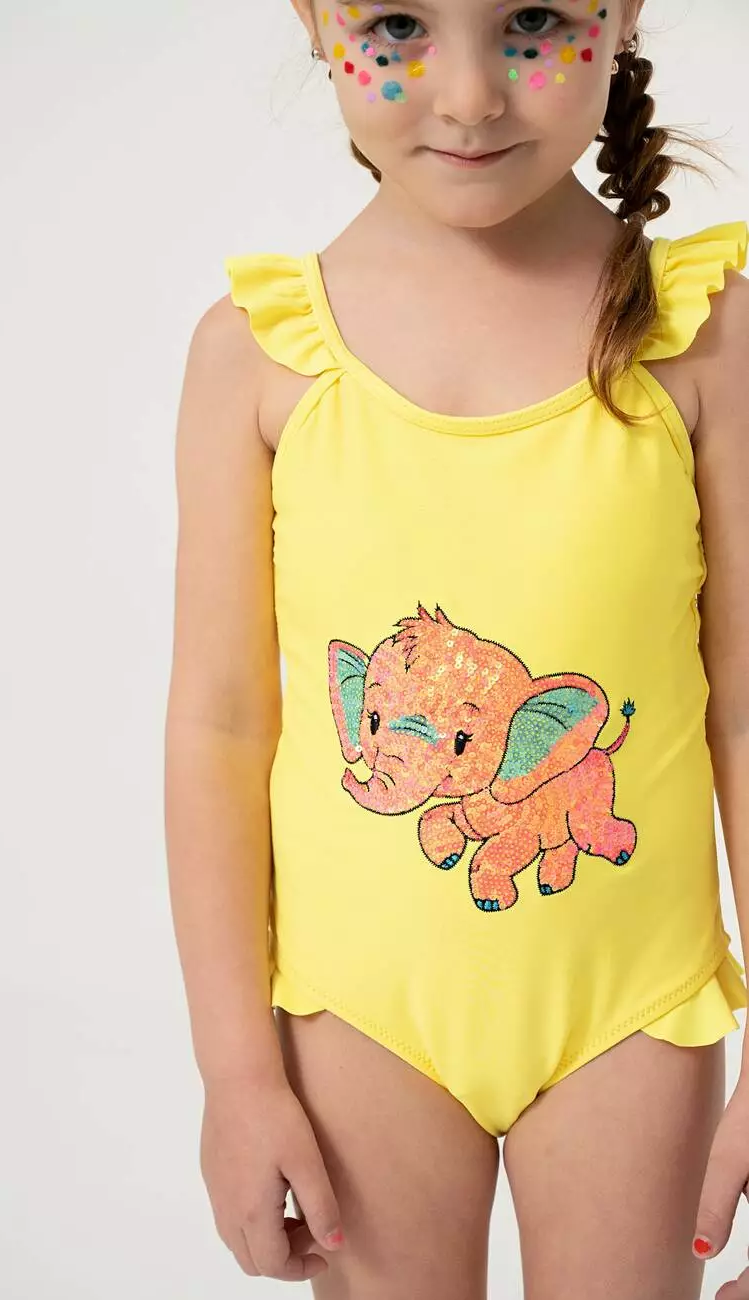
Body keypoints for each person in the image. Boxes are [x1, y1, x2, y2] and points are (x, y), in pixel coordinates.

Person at [165, 1, 749, 1295]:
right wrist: (235, 1072)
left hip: (629, 1015)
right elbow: (220, 727)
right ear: (318, 18)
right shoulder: (257, 360)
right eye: (400, 25)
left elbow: (747, 712)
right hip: (359, 1021)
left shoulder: (706, 338)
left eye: (532, 20)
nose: (472, 95)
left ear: (622, 13)